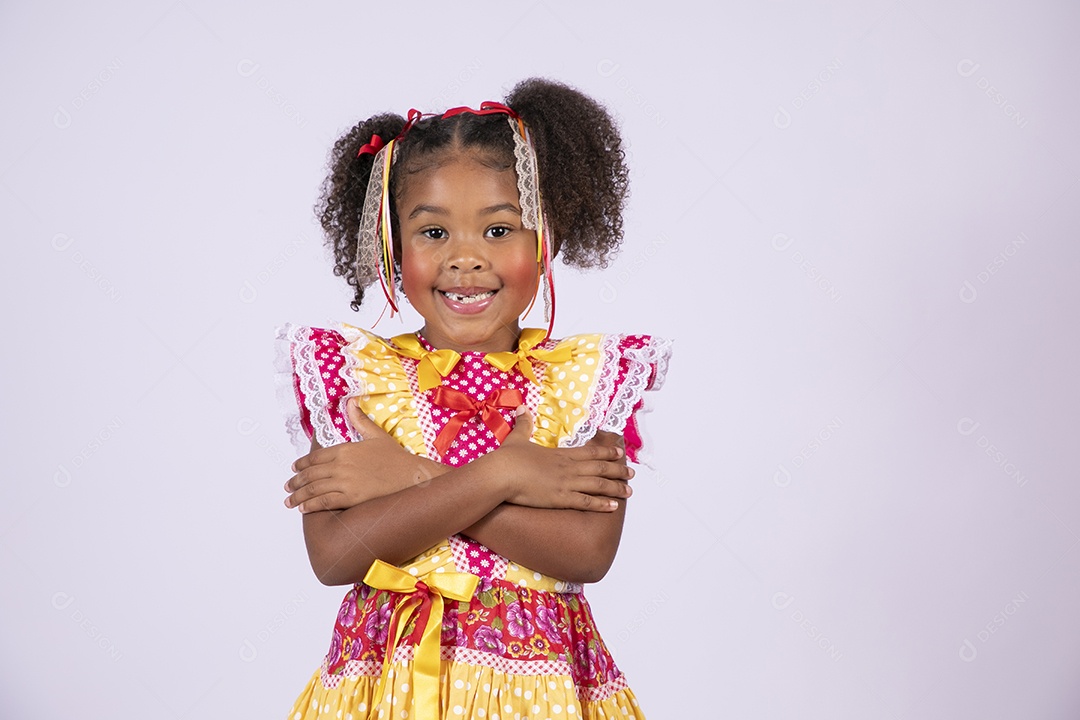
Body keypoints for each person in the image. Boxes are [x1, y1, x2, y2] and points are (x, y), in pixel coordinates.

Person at [275, 77, 671, 719]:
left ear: (548, 239)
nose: (465, 259)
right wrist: (505, 475)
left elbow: (587, 553)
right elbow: (335, 554)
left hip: (537, 695)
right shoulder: (355, 378)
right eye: (433, 234)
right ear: (391, 245)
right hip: (388, 691)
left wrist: (412, 479)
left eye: (499, 230)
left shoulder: (584, 381)